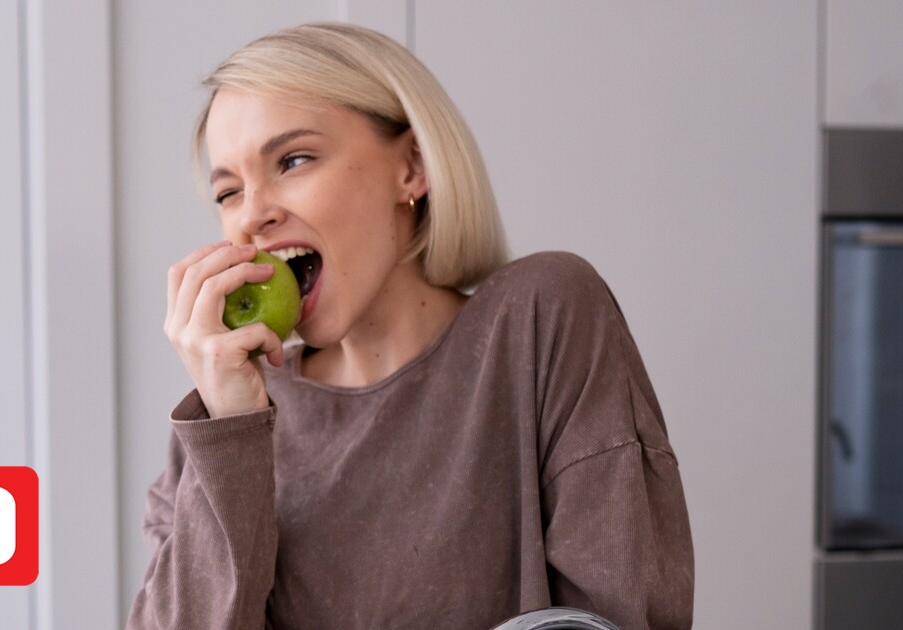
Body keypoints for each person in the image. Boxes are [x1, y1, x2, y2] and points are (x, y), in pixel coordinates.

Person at [128, 22, 693, 630]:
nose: (252, 216)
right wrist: (229, 426)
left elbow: (623, 612)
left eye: (293, 160)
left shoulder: (540, 319)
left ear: (412, 167)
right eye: (228, 192)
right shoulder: (226, 420)